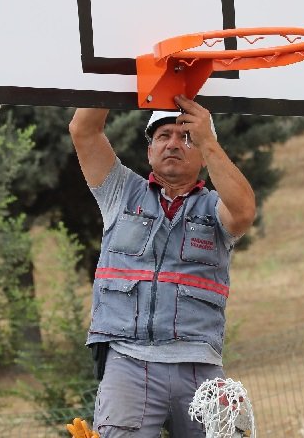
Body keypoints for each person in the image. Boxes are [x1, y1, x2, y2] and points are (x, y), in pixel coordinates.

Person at [68, 95, 256, 438]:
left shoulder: (217, 208)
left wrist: (208, 139)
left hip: (200, 366)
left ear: (204, 152)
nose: (173, 143)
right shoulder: (120, 193)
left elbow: (244, 211)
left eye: (186, 137)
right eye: (163, 135)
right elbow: (83, 130)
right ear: (149, 151)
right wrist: (117, 75)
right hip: (128, 361)